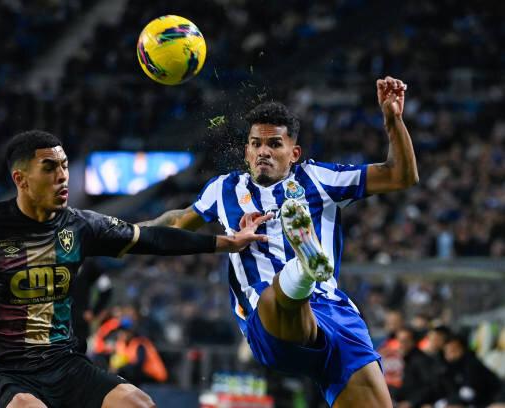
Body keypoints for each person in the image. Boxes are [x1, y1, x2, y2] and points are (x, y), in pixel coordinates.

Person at [0, 130, 269, 408]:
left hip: (65, 365)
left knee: (139, 404)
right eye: (49, 167)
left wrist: (225, 242)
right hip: (0, 373)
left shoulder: (81, 226)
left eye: (64, 165)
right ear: (20, 179)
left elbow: (153, 238)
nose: (62, 176)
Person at [140, 76, 418, 407]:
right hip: (268, 320)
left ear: (294, 153)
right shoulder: (224, 189)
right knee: (279, 296)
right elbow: (176, 223)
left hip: (336, 315)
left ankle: (304, 267)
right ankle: (303, 267)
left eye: (274, 144)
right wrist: (121, 232)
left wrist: (393, 121)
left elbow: (401, 175)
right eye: (256, 144)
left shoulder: (319, 178)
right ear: (246, 152)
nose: (263, 152)